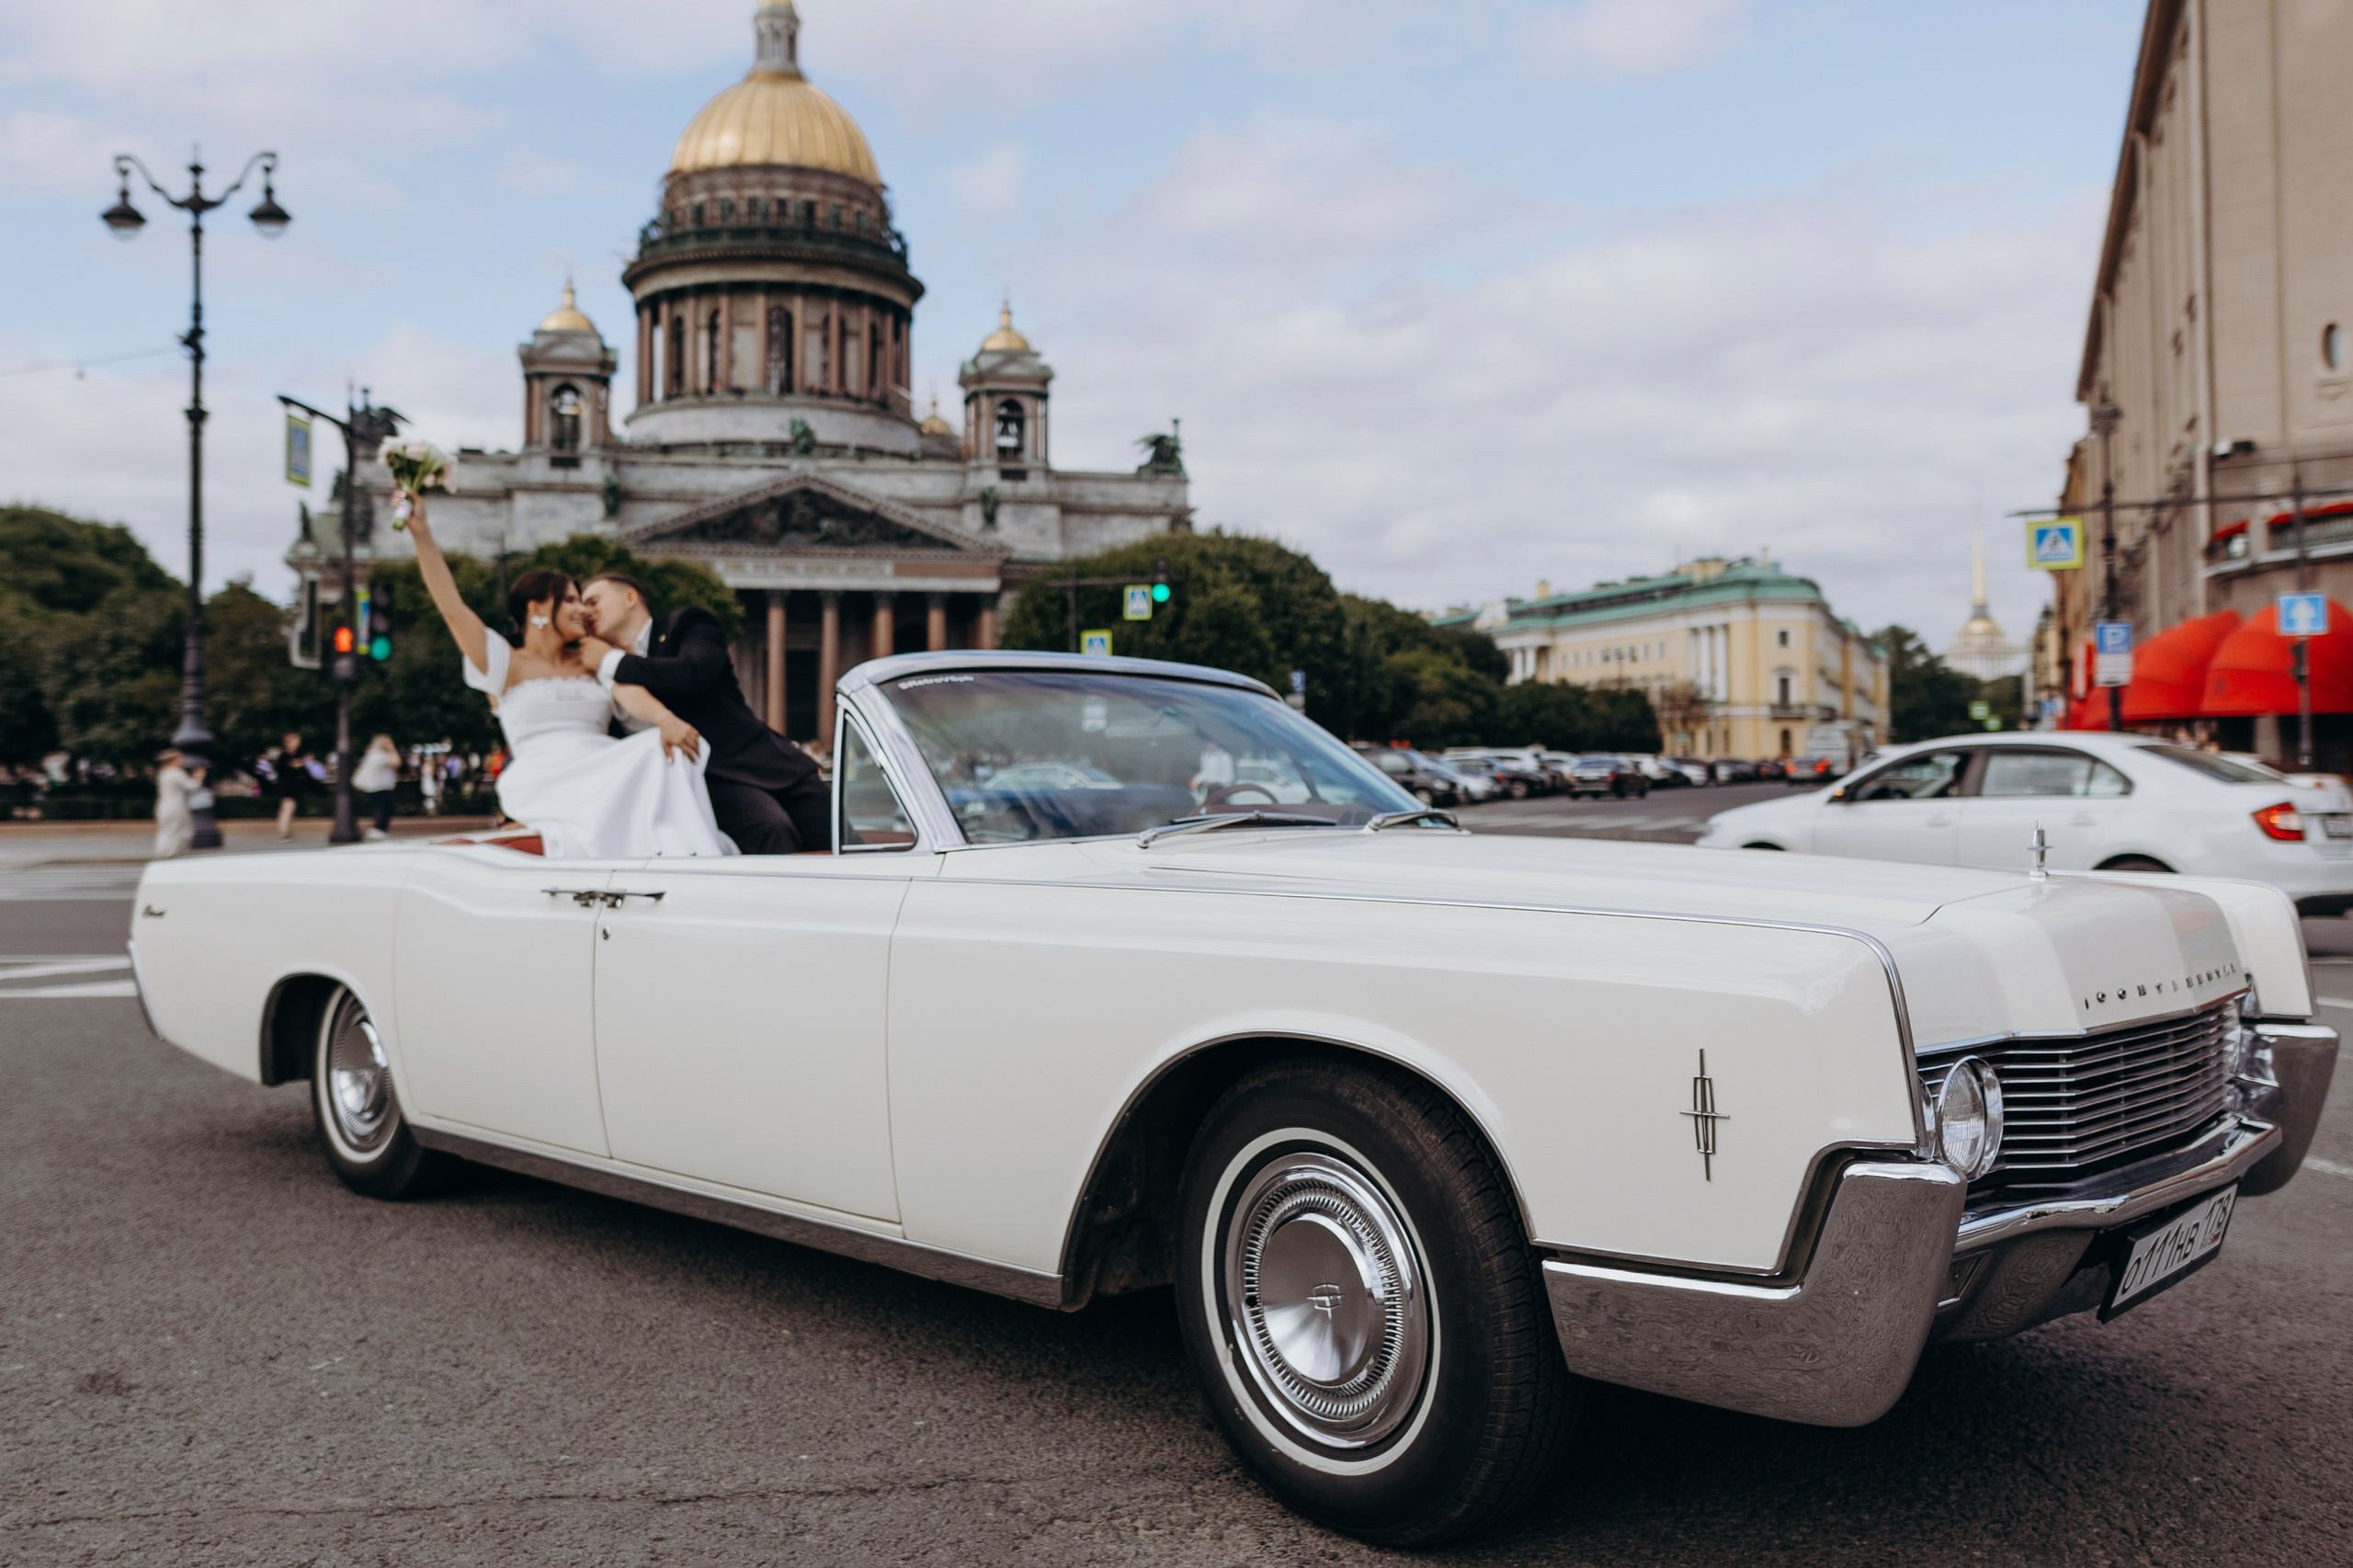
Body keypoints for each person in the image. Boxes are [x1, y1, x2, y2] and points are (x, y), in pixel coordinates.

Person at [403, 492, 735, 858]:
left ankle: (686, 858)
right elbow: (452, 607)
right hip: (541, 776)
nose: (583, 611)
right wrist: (421, 532)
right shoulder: (503, 662)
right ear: (539, 608)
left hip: (603, 765)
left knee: (663, 748)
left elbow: (627, 693)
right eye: (573, 600)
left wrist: (665, 719)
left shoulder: (592, 657)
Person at [579, 574, 830, 854]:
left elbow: (692, 673)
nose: (585, 611)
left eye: (593, 601)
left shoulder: (688, 624)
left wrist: (610, 660)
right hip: (699, 782)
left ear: (629, 597)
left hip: (765, 763)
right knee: (772, 828)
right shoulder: (591, 673)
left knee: (838, 842)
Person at [153, 749, 202, 859]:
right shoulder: (176, 773)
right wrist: (199, 777)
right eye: (180, 759)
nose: (182, 761)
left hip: (163, 805)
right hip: (176, 806)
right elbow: (191, 787)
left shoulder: (163, 773)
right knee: (183, 829)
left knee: (166, 830)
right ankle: (173, 852)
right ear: (173, 760)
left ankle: (163, 851)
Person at [354, 733, 402, 841]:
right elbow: (397, 762)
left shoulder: (374, 754)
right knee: (383, 808)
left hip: (377, 786)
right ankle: (378, 829)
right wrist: (392, 748)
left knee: (383, 807)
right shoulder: (378, 755)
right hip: (379, 787)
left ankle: (379, 829)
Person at [267, 732, 310, 840]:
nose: (297, 743)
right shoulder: (285, 755)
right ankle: (283, 832)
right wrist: (293, 766)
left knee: (290, 808)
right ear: (288, 743)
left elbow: (303, 771)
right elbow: (281, 769)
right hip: (287, 786)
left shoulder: (296, 755)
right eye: (295, 741)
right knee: (287, 808)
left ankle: (286, 830)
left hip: (293, 786)